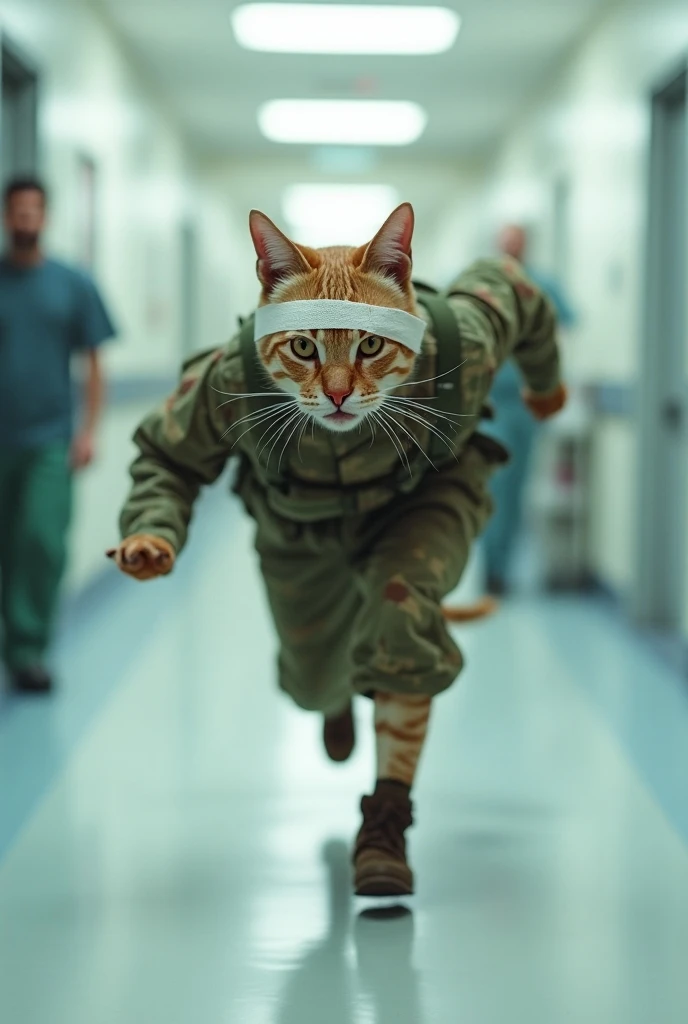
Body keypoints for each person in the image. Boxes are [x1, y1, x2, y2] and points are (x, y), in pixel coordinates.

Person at [109, 204, 565, 896]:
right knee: (311, 677)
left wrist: (544, 381)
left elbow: (512, 286)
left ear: (402, 285)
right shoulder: (239, 377)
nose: (339, 388)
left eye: (370, 349)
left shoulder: (455, 343)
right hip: (299, 521)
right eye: (305, 351)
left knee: (398, 611)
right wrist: (154, 528)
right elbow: (167, 455)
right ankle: (334, 694)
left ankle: (385, 823)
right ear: (268, 290)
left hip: (422, 495)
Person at [0, 175, 116, 693]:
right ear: (7, 217)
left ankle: (29, 651)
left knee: (42, 542)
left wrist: (89, 429)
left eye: (33, 210)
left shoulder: (72, 283)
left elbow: (94, 361)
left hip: (49, 439)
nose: (25, 218)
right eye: (16, 210)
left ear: (45, 217)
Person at [481, 224, 576, 595]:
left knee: (517, 488)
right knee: (494, 486)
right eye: (505, 243)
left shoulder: (541, 285)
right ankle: (492, 567)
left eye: (516, 243)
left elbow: (568, 322)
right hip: (490, 402)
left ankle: (502, 570)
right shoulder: (485, 286)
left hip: (527, 403)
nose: (510, 250)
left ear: (526, 247)